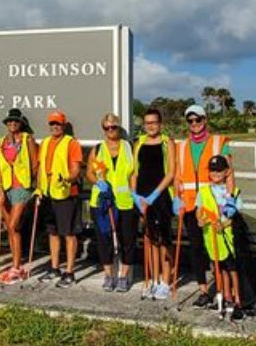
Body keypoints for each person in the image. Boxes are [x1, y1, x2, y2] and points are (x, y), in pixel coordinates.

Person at [174, 104, 233, 307]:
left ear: (205, 120)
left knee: (219, 250)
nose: (195, 124)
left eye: (198, 120)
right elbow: (177, 175)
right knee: (197, 249)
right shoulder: (181, 146)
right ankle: (203, 290)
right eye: (190, 121)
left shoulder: (219, 142)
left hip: (215, 206)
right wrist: (177, 197)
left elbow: (230, 173)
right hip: (192, 206)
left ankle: (224, 291)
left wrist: (230, 199)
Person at [86, 113, 136, 292]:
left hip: (125, 201)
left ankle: (124, 275)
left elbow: (135, 173)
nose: (110, 130)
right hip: (102, 202)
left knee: (128, 239)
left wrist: (136, 194)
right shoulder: (98, 149)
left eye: (113, 127)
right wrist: (98, 182)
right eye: (106, 127)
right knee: (104, 239)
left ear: (118, 127)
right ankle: (108, 275)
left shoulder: (129, 147)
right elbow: (90, 172)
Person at [130, 108, 176, 299]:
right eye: (147, 122)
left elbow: (171, 171)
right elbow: (134, 172)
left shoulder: (167, 142)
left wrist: (155, 194)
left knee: (164, 239)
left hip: (161, 196)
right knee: (150, 240)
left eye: (154, 122)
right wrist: (135, 195)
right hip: (143, 198)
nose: (150, 126)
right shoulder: (139, 143)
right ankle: (153, 279)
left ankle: (166, 281)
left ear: (160, 124)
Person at [36, 110, 83, 288]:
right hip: (48, 193)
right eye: (52, 124)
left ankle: (70, 271)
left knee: (69, 233)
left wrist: (68, 179)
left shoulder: (71, 143)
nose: (55, 127)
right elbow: (41, 167)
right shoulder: (45, 142)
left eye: (58, 124)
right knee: (53, 232)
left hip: (66, 193)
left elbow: (76, 168)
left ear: (63, 125)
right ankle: (54, 268)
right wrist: (39, 188)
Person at [195, 155, 245, 320]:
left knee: (232, 269)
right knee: (220, 269)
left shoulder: (232, 191)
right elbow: (199, 209)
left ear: (226, 172)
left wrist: (225, 224)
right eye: (212, 170)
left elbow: (236, 213)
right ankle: (225, 296)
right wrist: (200, 219)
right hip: (212, 238)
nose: (215, 173)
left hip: (228, 238)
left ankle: (237, 299)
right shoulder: (204, 190)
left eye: (219, 170)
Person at [0, 108, 38, 283]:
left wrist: (37, 186)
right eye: (9, 121)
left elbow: (35, 164)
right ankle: (15, 262)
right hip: (7, 187)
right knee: (9, 228)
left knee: (13, 226)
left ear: (20, 123)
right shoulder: (2, 141)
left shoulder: (27, 139)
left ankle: (16, 266)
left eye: (15, 121)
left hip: (22, 186)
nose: (12, 124)